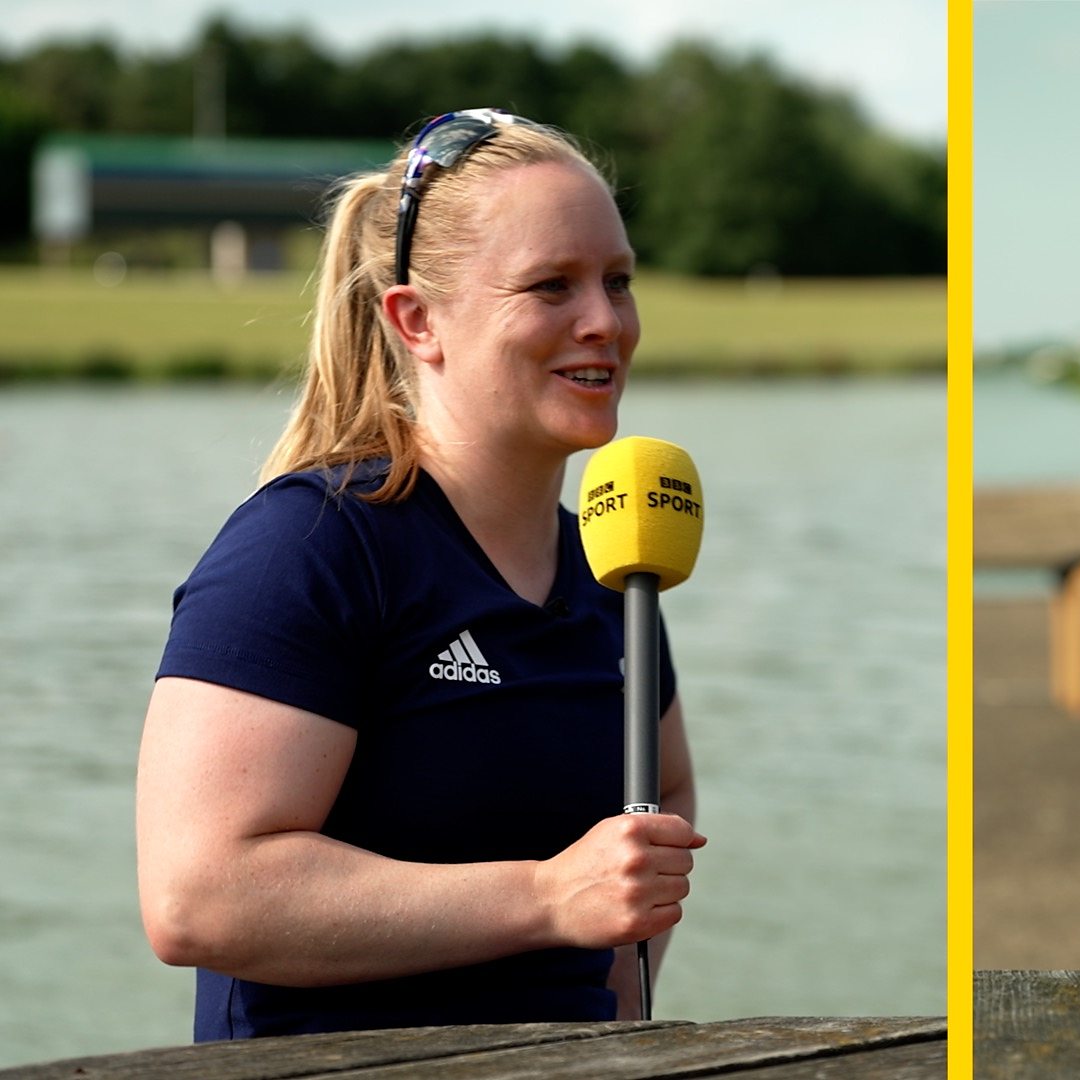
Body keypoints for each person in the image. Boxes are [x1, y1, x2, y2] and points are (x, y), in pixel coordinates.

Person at [135, 109, 703, 1040]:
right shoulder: (310, 547)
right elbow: (197, 896)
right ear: (418, 318)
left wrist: (619, 1004)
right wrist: (548, 897)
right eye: (552, 286)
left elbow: (665, 796)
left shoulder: (614, 563)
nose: (605, 322)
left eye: (618, 281)